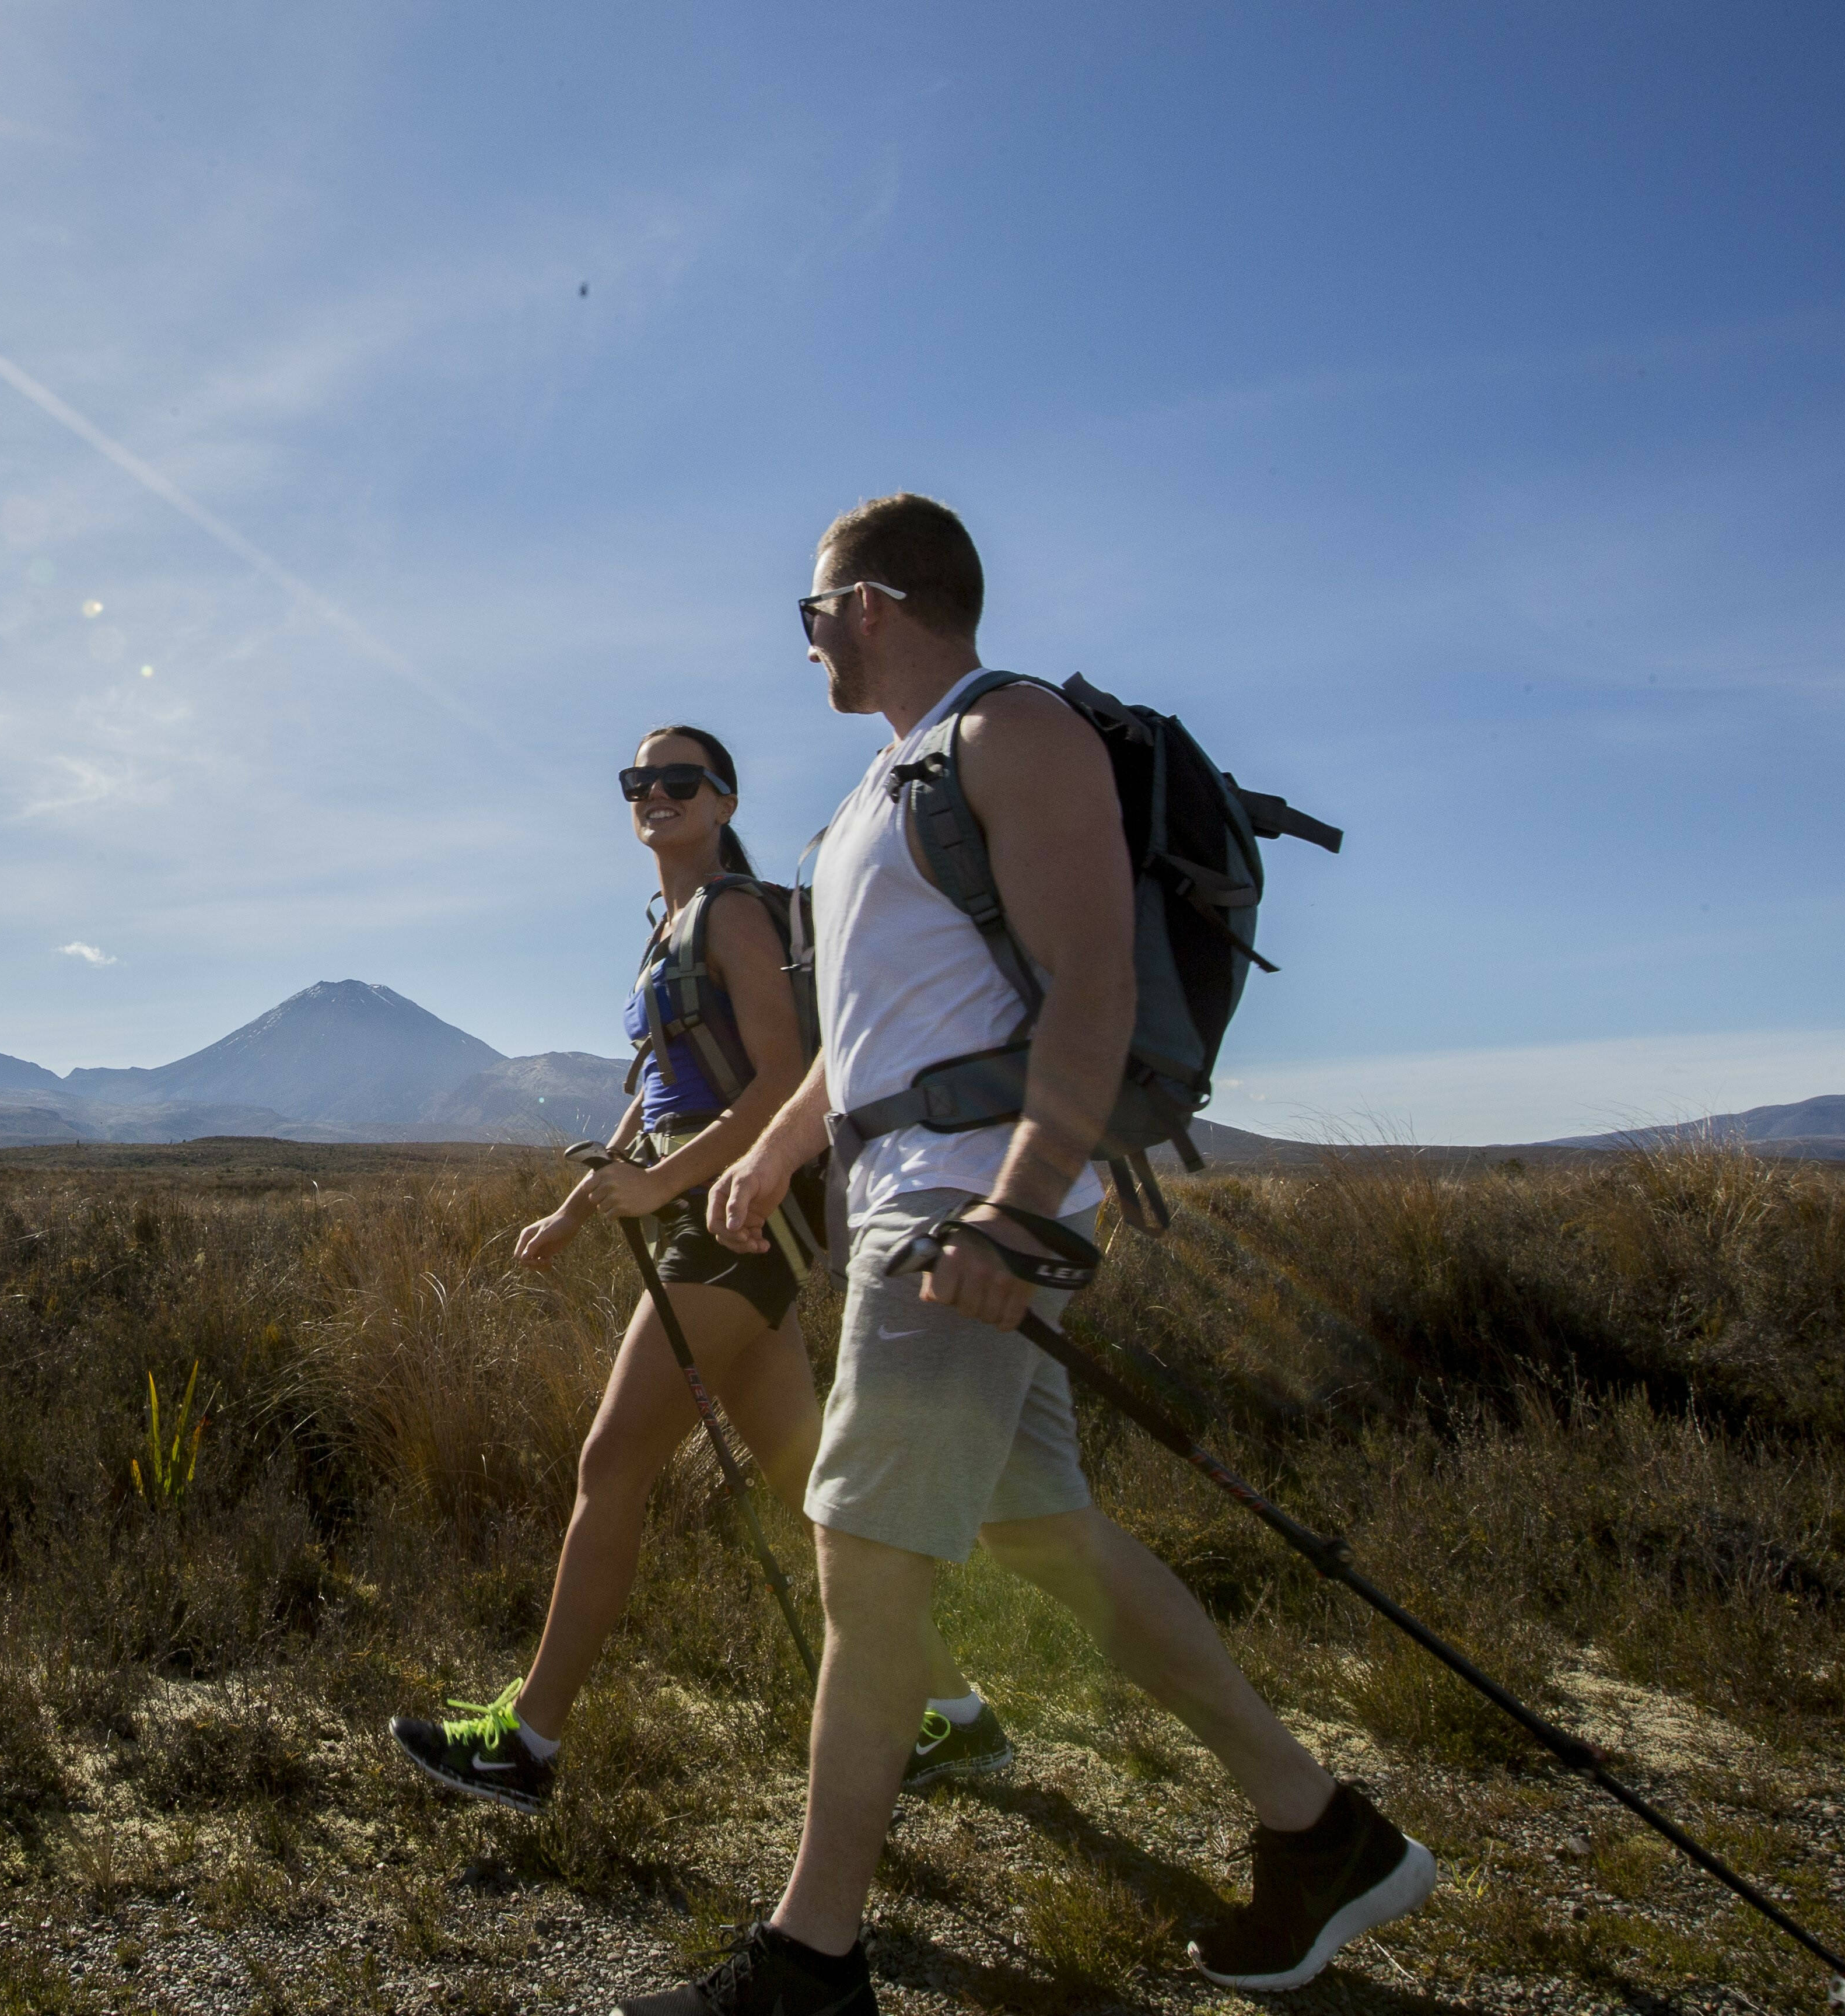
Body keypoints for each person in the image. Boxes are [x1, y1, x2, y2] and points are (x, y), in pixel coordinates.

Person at [616, 496, 1433, 2015]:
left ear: (869, 604)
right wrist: (777, 1154)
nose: (800, 643)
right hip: (904, 1198)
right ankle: (1322, 1831)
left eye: (808, 616)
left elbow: (1093, 983)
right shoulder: (872, 798)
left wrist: (1022, 1203)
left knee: (863, 1551)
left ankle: (807, 1964)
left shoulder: (1018, 732)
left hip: (964, 1212)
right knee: (1043, 1533)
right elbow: (860, 1045)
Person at [388, 724, 1013, 1817]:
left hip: (746, 1213)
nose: (656, 795)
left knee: (611, 1461)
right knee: (812, 1483)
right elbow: (664, 1086)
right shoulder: (668, 928)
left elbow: (781, 1081)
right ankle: (955, 1716)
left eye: (681, 780)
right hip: (724, 1209)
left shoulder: (731, 911)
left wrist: (666, 1187)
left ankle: (526, 1742)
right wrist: (591, 1195)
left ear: (724, 801)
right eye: (640, 781)